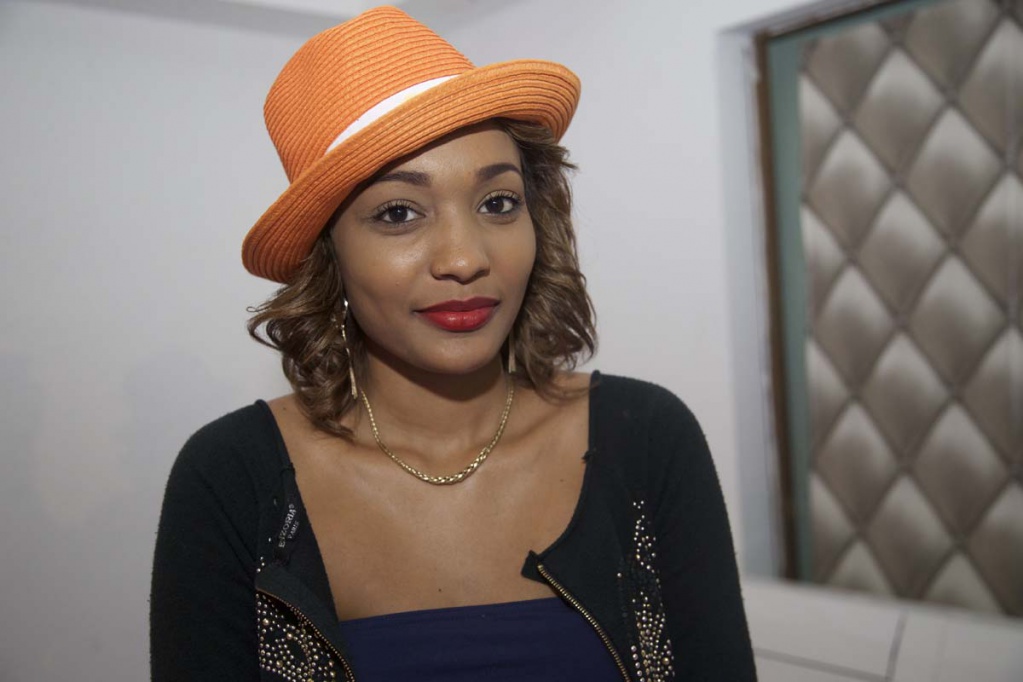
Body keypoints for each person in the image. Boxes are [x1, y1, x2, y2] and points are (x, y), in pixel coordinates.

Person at [150, 6, 755, 681]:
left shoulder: (645, 440)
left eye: (497, 203)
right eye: (398, 213)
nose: (465, 258)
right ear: (329, 257)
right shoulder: (234, 478)